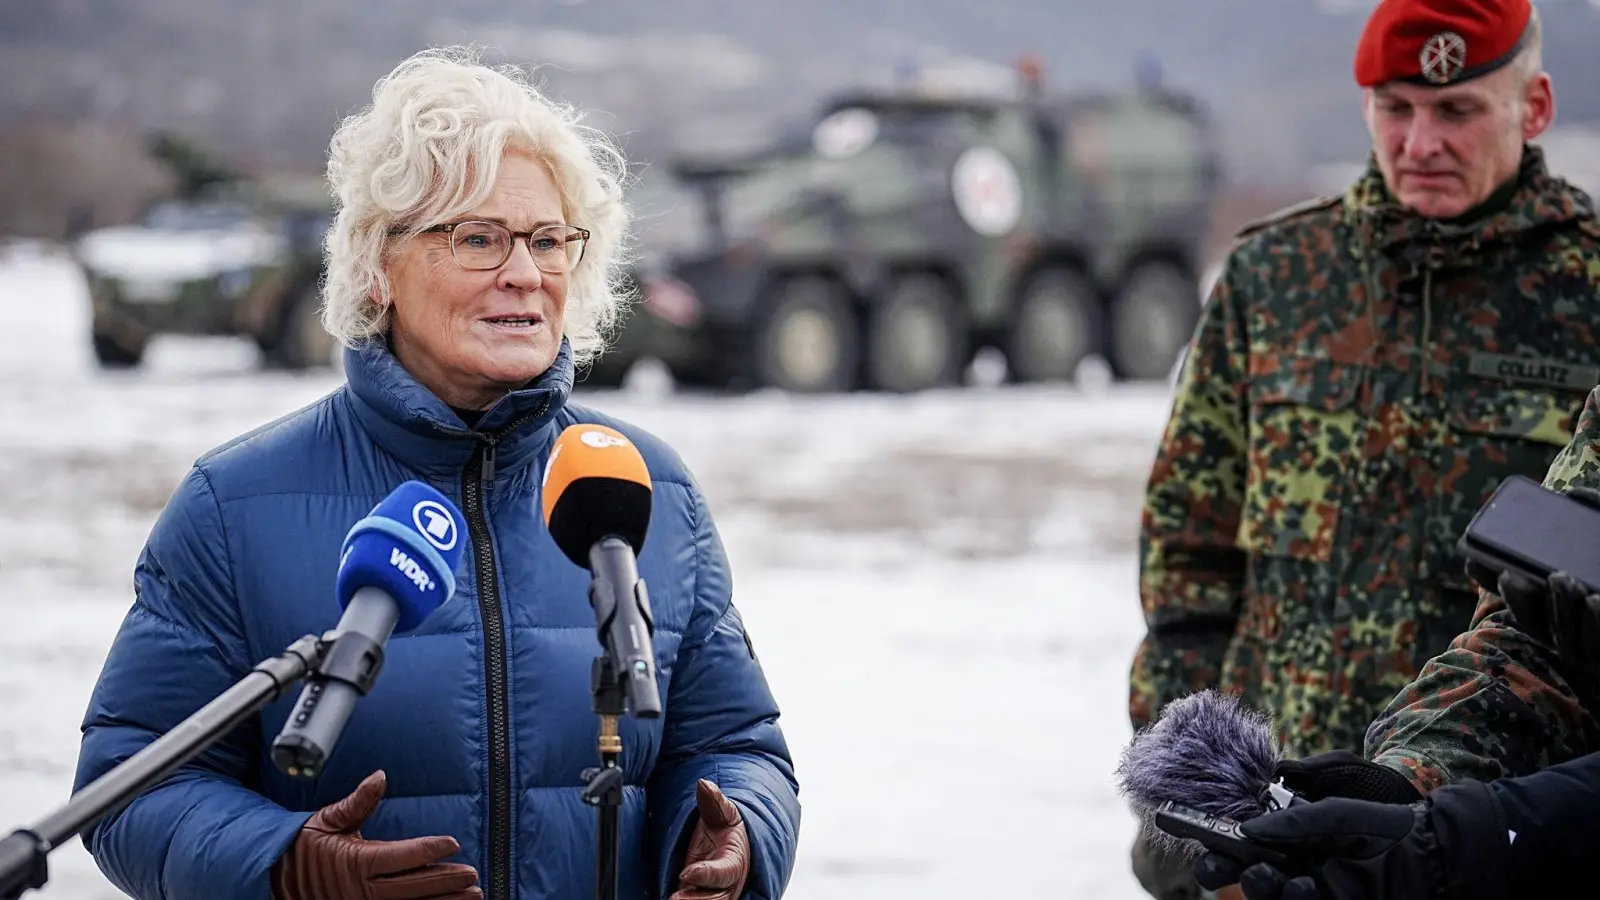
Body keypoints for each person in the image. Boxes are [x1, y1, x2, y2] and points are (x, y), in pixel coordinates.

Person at [70, 47, 801, 900]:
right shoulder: (233, 506)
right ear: (379, 265)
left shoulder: (649, 488)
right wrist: (283, 864)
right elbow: (128, 783)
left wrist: (734, 836)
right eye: (478, 237)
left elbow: (738, 746)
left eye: (548, 240)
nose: (525, 273)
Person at [1125, 0, 1600, 896]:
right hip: (1274, 816)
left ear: (1533, 109)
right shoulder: (1274, 279)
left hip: (1481, 838)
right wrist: (1194, 799)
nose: (1420, 141)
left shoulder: (1591, 286)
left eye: (1456, 110)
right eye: (1396, 108)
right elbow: (1187, 565)